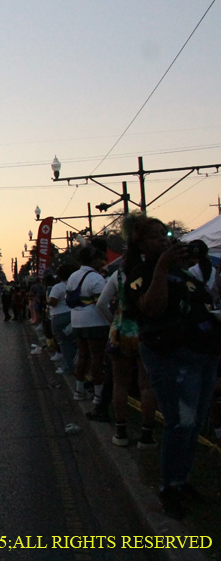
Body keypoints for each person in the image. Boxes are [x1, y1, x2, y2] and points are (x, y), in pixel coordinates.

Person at [122, 215, 221, 518]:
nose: (162, 240)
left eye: (164, 234)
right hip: (171, 357)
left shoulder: (182, 271)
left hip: (202, 355)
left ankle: (181, 480)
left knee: (195, 422)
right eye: (154, 236)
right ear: (140, 242)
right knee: (180, 423)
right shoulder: (141, 273)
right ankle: (168, 489)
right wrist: (162, 267)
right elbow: (153, 308)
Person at [96, 265, 158, 449]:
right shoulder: (154, 271)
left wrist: (114, 321)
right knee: (146, 385)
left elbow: (101, 303)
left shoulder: (118, 275)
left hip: (121, 332)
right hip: (147, 333)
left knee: (120, 384)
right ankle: (146, 435)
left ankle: (120, 432)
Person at [68, 246, 109, 409]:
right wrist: (111, 320)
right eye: (99, 259)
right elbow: (102, 303)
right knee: (97, 358)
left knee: (83, 355)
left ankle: (79, 390)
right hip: (95, 322)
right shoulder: (96, 278)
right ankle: (98, 395)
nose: (102, 262)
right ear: (94, 260)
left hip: (77, 321)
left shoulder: (73, 276)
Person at [47, 264, 77, 375]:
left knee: (63, 343)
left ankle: (67, 367)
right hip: (72, 315)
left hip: (59, 316)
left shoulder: (58, 287)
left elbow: (53, 302)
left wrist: (47, 299)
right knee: (72, 342)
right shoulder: (74, 285)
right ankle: (74, 364)